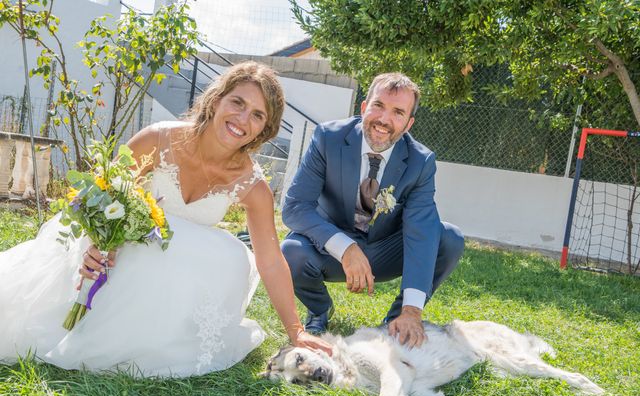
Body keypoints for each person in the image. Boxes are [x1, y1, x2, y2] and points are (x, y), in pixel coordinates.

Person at [0, 61, 331, 377]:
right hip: (119, 255)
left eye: (258, 115)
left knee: (231, 257)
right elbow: (98, 194)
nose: (243, 119)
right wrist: (96, 244)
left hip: (171, 280)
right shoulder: (158, 139)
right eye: (237, 102)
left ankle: (158, 332)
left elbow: (271, 260)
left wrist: (296, 331)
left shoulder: (254, 187)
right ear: (216, 100)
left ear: (264, 129)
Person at [281, 72, 464, 348]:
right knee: (290, 251)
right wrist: (345, 248)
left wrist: (412, 311)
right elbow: (295, 207)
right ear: (364, 107)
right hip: (330, 251)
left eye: (398, 112)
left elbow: (421, 230)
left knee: (448, 238)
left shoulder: (420, 161)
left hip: (383, 252)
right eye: (378, 106)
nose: (384, 120)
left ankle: (395, 321)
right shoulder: (328, 138)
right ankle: (319, 309)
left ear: (408, 124)